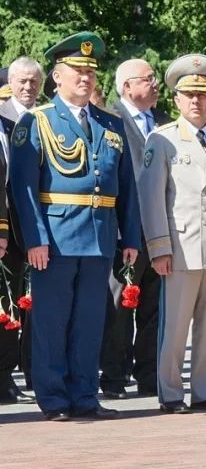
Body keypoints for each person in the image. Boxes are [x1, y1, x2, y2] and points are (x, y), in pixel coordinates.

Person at [10, 32, 141, 421]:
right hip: (56, 237)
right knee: (52, 321)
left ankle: (85, 395)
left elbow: (127, 185)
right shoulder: (37, 122)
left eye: (90, 72)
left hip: (99, 236)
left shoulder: (109, 123)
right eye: (77, 71)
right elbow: (23, 188)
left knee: (90, 323)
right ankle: (53, 399)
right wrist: (34, 238)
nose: (85, 78)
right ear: (57, 76)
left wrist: (129, 235)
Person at [140, 54, 206, 414]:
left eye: (203, 95)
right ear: (176, 100)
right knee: (174, 328)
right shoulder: (162, 139)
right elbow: (152, 197)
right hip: (180, 246)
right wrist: (158, 246)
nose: (196, 101)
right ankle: (171, 394)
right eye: (189, 95)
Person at [98, 59, 171, 400]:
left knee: (155, 308)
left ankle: (149, 376)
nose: (156, 83)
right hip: (124, 232)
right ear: (127, 86)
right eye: (149, 78)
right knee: (119, 308)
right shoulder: (108, 121)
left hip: (161, 232)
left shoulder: (164, 123)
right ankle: (113, 377)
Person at [0, 56, 42, 403]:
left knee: (37, 305)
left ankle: (34, 370)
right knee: (11, 303)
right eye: (22, 81)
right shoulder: (3, 120)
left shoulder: (46, 119)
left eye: (33, 82)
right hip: (11, 228)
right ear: (11, 83)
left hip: (43, 226)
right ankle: (6, 374)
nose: (28, 87)